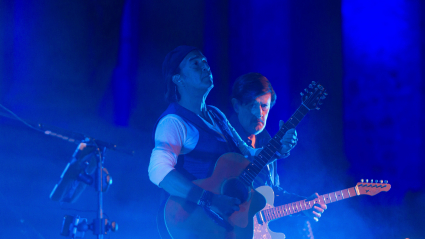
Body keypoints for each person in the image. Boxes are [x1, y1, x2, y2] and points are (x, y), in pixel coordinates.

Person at [148, 46, 297, 238]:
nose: (205, 67)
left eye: (205, 62)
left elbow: (246, 156)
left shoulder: (216, 115)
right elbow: (159, 172)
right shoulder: (173, 122)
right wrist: (211, 201)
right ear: (178, 79)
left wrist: (279, 149)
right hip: (194, 224)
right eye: (195, 64)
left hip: (225, 225)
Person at [229, 72, 327, 238]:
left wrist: (305, 205)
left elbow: (272, 193)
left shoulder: (267, 142)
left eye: (264, 106)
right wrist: (278, 151)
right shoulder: (224, 138)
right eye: (252, 105)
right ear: (237, 105)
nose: (258, 113)